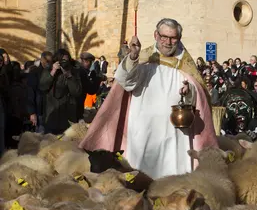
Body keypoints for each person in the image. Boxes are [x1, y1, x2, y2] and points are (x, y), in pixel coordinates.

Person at [80, 18, 217, 179]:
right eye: (164, 36)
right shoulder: (144, 59)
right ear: (156, 35)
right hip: (143, 130)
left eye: (173, 38)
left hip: (175, 133)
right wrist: (132, 56)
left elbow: (198, 96)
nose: (168, 42)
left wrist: (189, 92)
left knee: (174, 175)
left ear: (179, 39)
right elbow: (126, 81)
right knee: (139, 175)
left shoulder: (185, 64)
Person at [39, 49, 82, 134]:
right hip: (52, 115)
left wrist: (70, 76)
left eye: (66, 60)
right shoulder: (49, 70)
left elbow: (77, 92)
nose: (64, 63)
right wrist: (53, 71)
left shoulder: (73, 72)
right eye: (62, 60)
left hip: (68, 116)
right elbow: (42, 87)